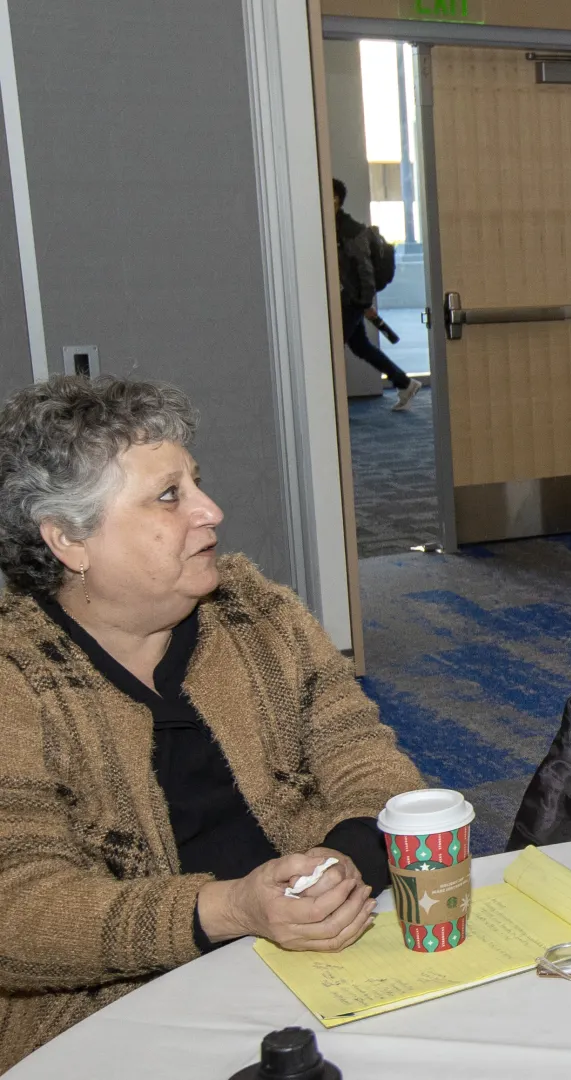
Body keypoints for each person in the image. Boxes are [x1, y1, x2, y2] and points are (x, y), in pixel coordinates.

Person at [0, 377, 425, 1070]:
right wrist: (228, 910)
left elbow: (367, 760)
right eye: (169, 496)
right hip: (112, 1019)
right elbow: (20, 913)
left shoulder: (256, 613)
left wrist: (346, 863)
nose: (210, 511)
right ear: (70, 541)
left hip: (325, 964)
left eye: (196, 483)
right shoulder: (15, 680)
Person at [333, 177, 420, 412]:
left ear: (336, 200)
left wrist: (364, 302)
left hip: (352, 300)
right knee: (360, 346)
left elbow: (365, 271)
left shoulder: (350, 231)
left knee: (331, 348)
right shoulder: (335, 227)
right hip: (349, 298)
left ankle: (331, 407)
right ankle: (404, 382)